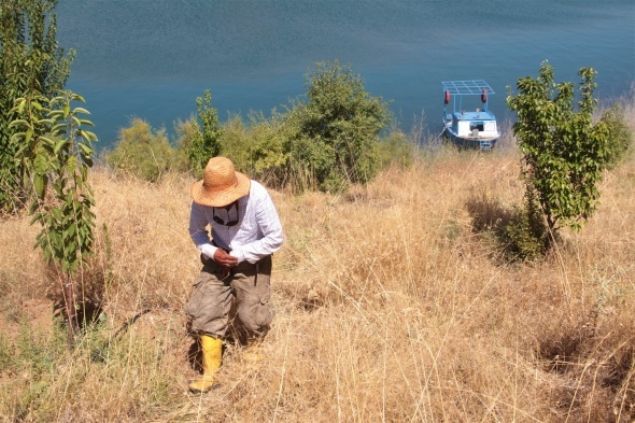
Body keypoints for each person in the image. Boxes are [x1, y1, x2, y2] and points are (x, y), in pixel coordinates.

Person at [185, 156, 284, 393]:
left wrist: (240, 255)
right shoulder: (202, 197)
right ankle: (210, 374)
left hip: (252, 258)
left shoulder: (257, 195)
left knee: (252, 314)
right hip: (217, 257)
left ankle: (252, 358)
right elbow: (196, 232)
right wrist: (212, 251)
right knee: (204, 309)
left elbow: (275, 238)